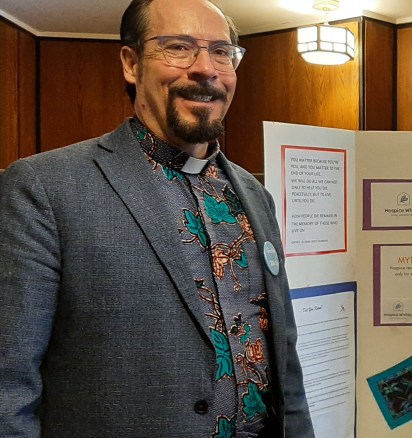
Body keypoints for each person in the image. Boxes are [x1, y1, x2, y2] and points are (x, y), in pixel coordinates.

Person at [0, 0, 315, 436]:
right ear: (131, 64)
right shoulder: (45, 188)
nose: (206, 69)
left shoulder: (256, 197)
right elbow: (9, 382)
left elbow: (285, 358)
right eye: (179, 47)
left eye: (221, 52)